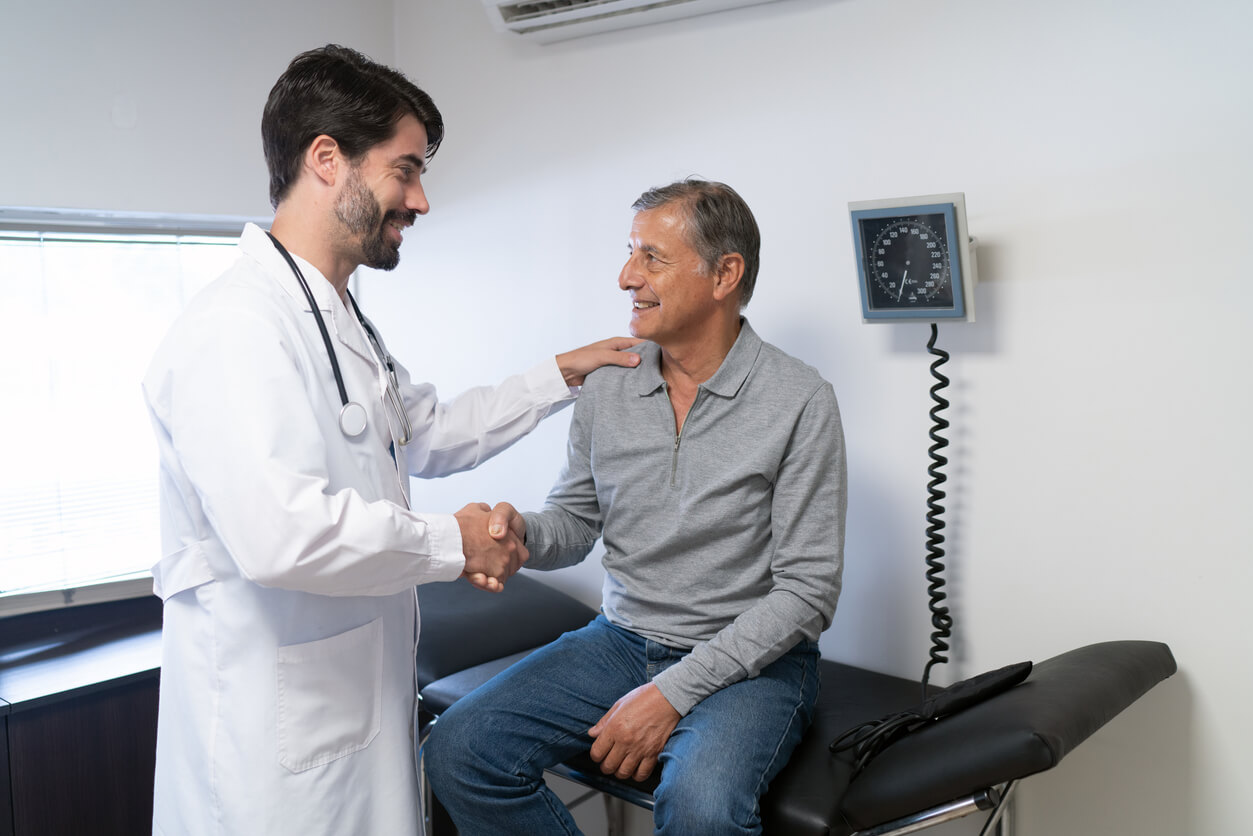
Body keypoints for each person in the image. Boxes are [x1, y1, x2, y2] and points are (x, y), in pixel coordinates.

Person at [141, 44, 639, 836]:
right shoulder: (234, 328)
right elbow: (283, 536)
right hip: (271, 744)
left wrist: (560, 375)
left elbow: (425, 431)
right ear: (327, 159)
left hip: (349, 711)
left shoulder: (340, 318)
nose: (421, 200)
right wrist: (459, 542)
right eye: (405, 171)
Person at [424, 178, 847, 835]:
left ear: (724, 274)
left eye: (653, 257)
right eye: (630, 252)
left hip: (751, 663)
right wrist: (518, 534)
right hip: (619, 641)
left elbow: (807, 592)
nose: (627, 277)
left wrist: (669, 696)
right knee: (458, 749)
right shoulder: (610, 384)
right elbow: (575, 522)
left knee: (703, 808)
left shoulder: (798, 399)